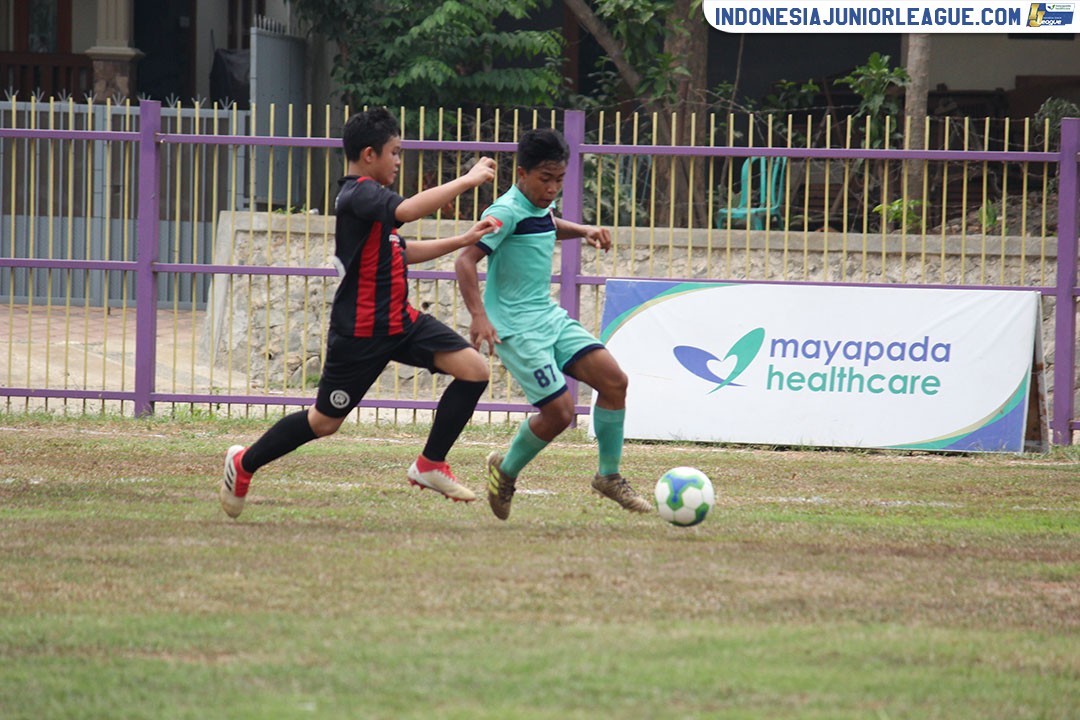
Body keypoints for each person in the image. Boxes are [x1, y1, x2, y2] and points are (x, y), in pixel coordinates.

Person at [220, 107, 499, 519]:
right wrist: (468, 179)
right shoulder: (358, 193)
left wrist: (463, 238)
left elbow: (401, 251)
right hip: (361, 334)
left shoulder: (371, 203)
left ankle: (430, 464)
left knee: (475, 370)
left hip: (401, 323)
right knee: (324, 422)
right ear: (370, 154)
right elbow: (407, 211)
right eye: (395, 152)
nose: (399, 161)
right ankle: (243, 464)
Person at [454, 128, 653, 521]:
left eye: (559, 179)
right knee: (560, 413)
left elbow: (546, 223)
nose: (552, 189)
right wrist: (479, 316)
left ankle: (608, 477)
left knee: (615, 382)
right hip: (514, 326)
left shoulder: (537, 205)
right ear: (522, 173)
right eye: (545, 179)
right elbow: (464, 261)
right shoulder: (504, 211)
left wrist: (583, 230)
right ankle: (505, 471)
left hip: (547, 316)